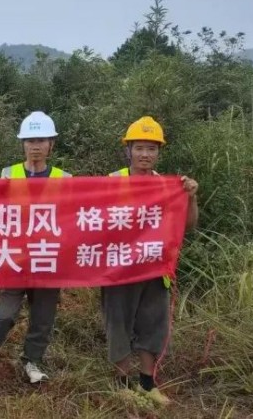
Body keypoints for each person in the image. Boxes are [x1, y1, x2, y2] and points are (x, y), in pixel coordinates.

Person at [102, 116, 199, 405]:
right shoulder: (111, 182)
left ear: (158, 153)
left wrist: (191, 197)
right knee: (118, 323)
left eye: (152, 148)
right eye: (139, 148)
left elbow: (188, 225)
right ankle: (122, 383)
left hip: (155, 267)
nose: (145, 154)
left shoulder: (168, 185)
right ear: (128, 150)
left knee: (153, 324)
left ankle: (147, 383)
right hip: (119, 268)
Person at [0, 111, 70, 383]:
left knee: (43, 316)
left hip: (48, 258)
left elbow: (74, 218)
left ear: (51, 144)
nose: (35, 146)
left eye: (41, 141)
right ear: (23, 144)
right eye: (30, 141)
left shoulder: (65, 178)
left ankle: (32, 361)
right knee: (5, 311)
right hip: (15, 256)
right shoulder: (8, 174)